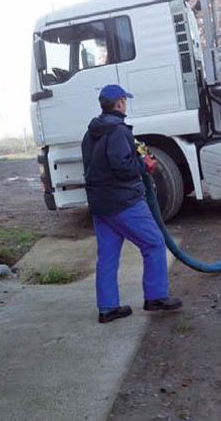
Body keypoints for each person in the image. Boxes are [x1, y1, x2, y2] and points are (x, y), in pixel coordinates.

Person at [81, 84, 182, 323]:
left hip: (100, 204)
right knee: (154, 243)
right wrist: (144, 165)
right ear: (119, 103)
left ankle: (108, 308)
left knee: (107, 257)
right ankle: (156, 297)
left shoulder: (91, 132)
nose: (125, 104)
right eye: (124, 100)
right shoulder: (117, 131)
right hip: (124, 202)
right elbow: (121, 166)